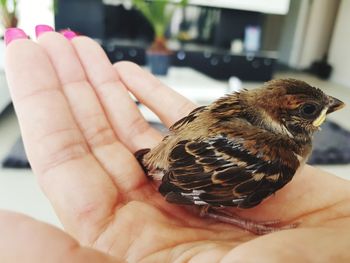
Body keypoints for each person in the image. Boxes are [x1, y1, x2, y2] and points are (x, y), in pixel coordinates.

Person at [2, 25, 350, 262]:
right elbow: (204, 183)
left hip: (187, 144)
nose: (329, 108)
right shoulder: (279, 156)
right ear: (284, 119)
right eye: (309, 111)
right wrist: (244, 222)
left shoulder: (256, 121)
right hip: (184, 162)